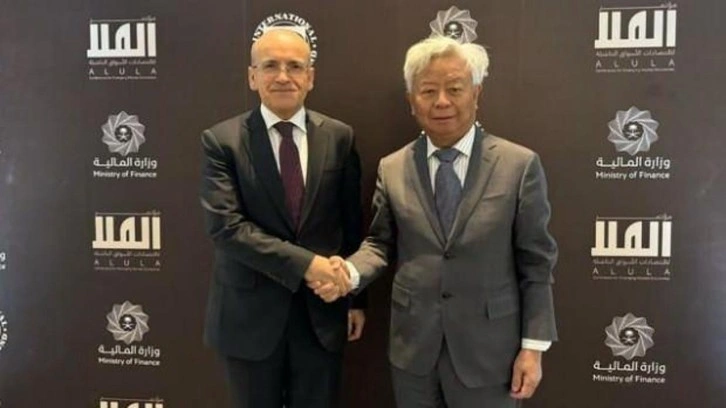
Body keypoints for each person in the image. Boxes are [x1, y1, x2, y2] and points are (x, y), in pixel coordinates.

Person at [313, 36, 558, 407]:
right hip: (413, 351)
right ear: (411, 100)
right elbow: (380, 243)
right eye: (428, 91)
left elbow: (536, 262)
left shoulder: (518, 166)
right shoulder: (392, 167)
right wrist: (348, 272)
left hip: (490, 355)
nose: (441, 101)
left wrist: (533, 347)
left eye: (454, 89)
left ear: (476, 93)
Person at [199, 28, 365, 408]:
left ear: (311, 77)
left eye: (295, 66)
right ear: (252, 76)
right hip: (248, 319)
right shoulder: (221, 141)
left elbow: (351, 222)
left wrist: (356, 299)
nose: (283, 76)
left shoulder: (340, 137)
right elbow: (227, 228)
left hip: (321, 316)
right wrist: (308, 265)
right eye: (270, 65)